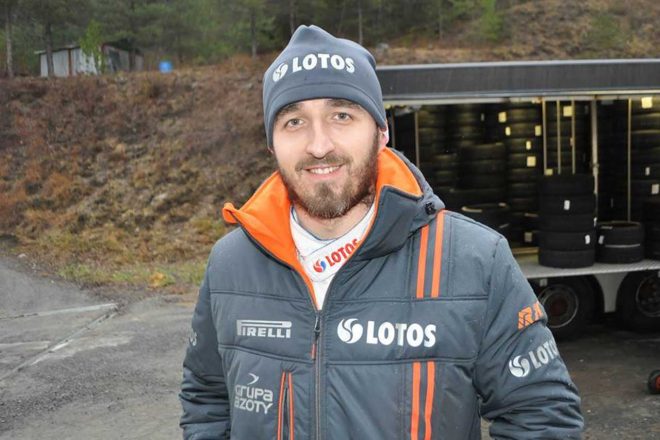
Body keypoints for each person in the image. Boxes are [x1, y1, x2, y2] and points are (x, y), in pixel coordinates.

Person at [179, 24, 584, 440]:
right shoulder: (230, 264)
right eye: (294, 121)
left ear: (381, 132)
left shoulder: (474, 261)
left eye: (341, 116)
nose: (319, 145)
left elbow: (542, 416)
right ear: (272, 144)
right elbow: (207, 399)